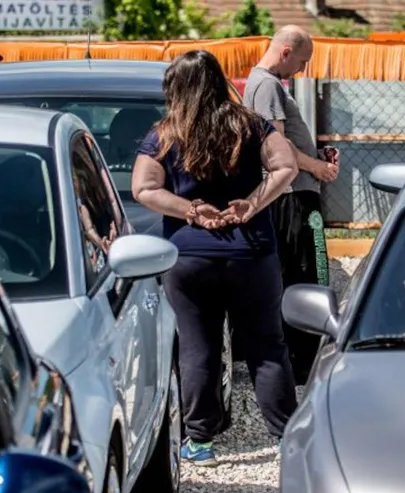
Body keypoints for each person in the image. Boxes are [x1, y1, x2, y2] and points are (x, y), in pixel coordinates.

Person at [132, 50, 299, 467]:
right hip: (251, 252)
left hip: (189, 258)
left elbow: (144, 188)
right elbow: (287, 166)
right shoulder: (250, 124)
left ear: (177, 88)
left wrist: (189, 210)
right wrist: (252, 204)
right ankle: (286, 437)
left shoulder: (165, 134)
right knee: (266, 345)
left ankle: (200, 441)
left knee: (197, 347)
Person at [243, 25, 337, 384]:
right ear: (285, 52)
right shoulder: (266, 86)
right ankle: (301, 365)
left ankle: (296, 360)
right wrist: (318, 168)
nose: (302, 70)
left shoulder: (265, 84)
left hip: (294, 194)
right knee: (308, 277)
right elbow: (278, 149)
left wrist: (317, 160)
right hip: (292, 197)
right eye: (302, 61)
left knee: (296, 275)